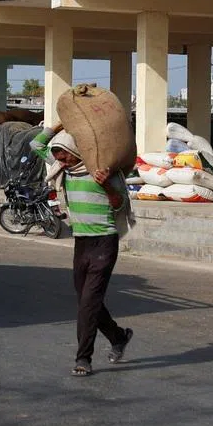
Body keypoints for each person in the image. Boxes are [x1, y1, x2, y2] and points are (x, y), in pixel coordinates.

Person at [32, 122, 135, 377]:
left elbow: (120, 204)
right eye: (57, 156)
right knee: (88, 301)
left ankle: (83, 358)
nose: (60, 161)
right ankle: (119, 336)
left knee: (88, 303)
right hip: (82, 242)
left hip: (104, 242)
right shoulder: (63, 168)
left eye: (63, 155)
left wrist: (108, 186)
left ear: (75, 151)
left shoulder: (103, 171)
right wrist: (59, 125)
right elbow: (35, 144)